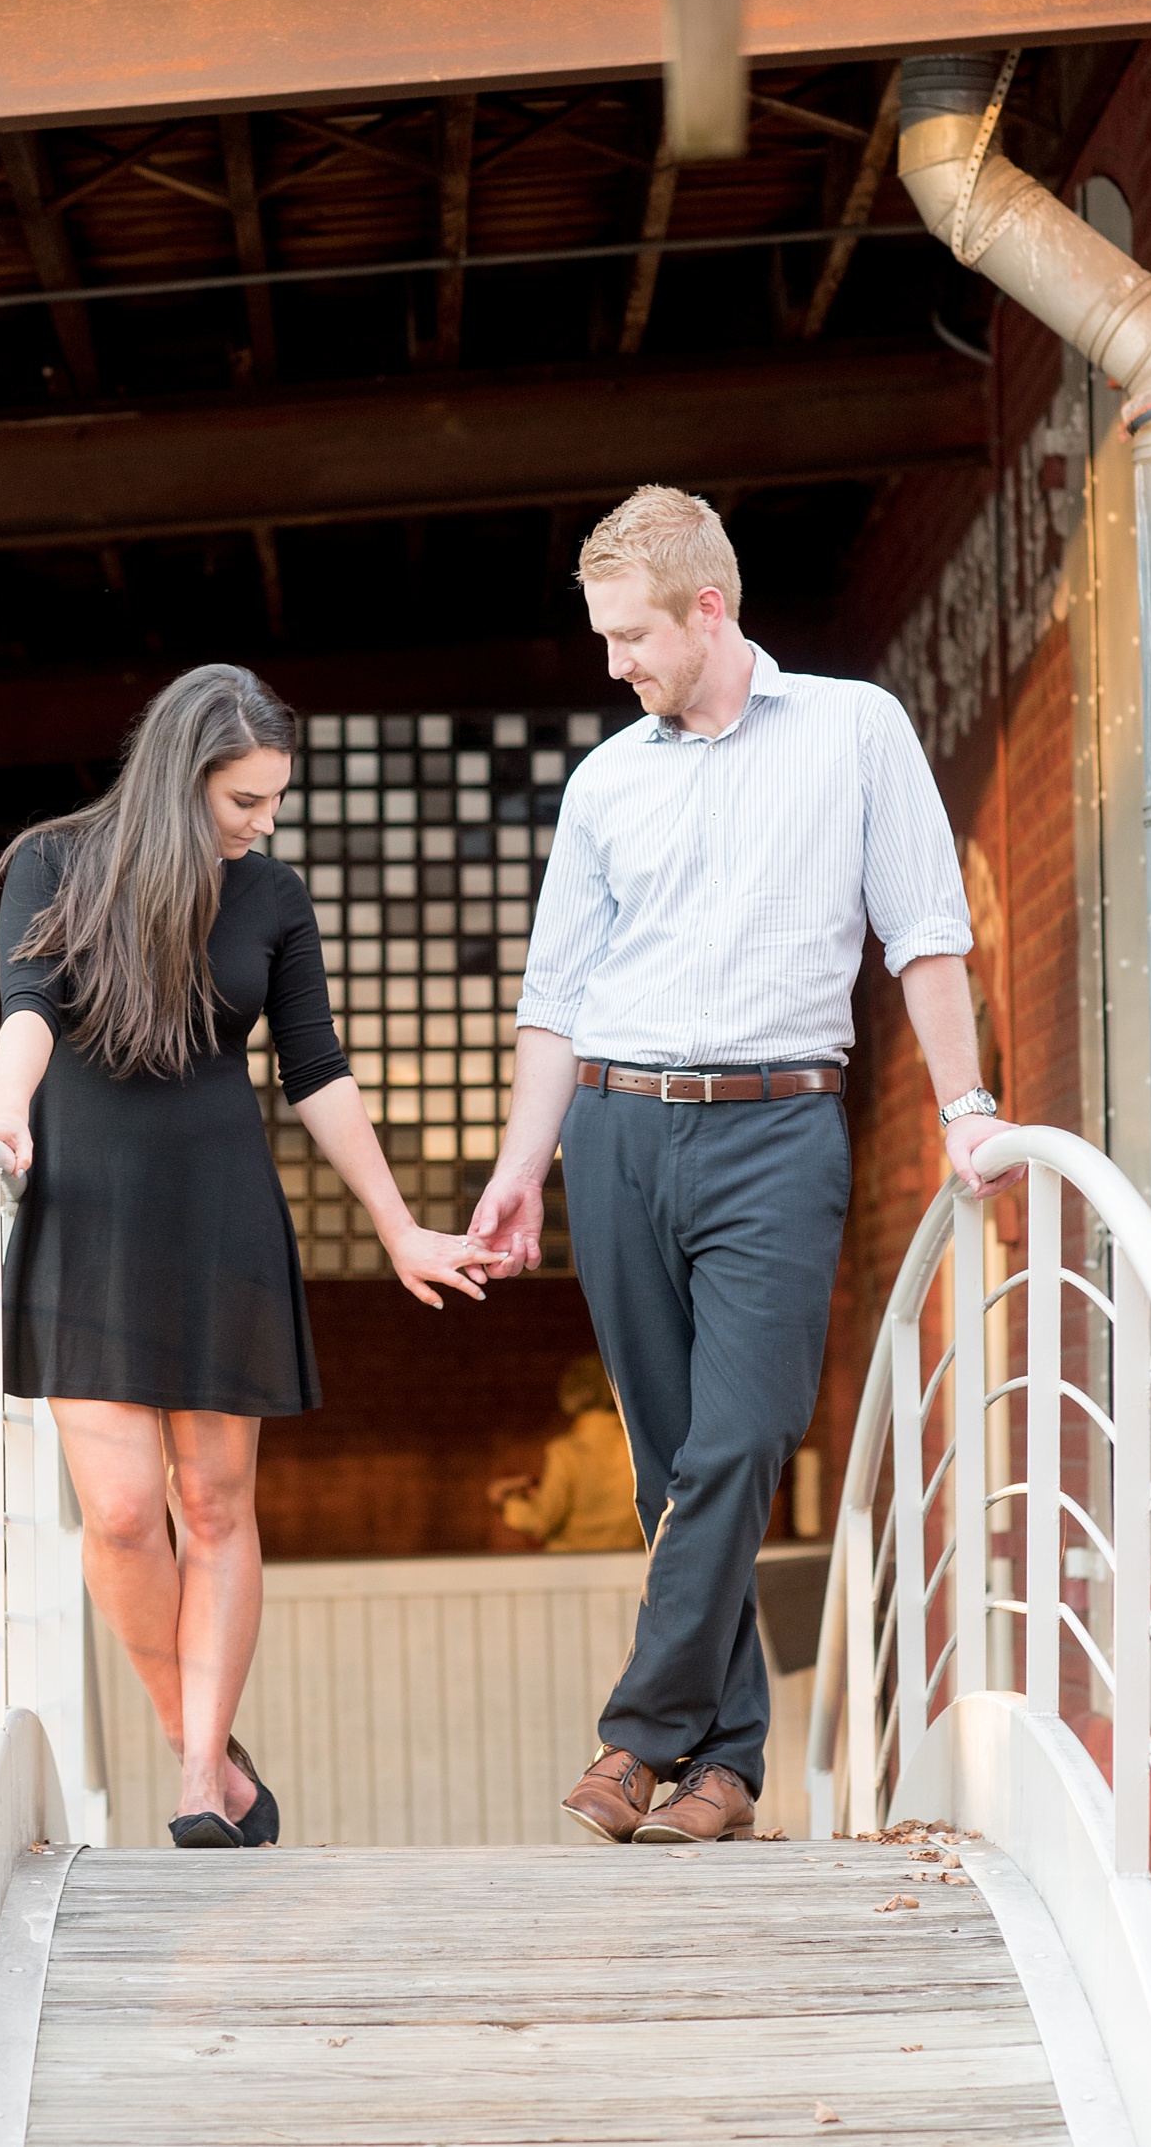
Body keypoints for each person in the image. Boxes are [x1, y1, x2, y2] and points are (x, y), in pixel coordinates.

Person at [469, 486, 1013, 1847]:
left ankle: (637, 1736)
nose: (615, 664)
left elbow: (927, 934)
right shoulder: (608, 781)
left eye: (632, 635)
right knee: (669, 1465)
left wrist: (970, 1108)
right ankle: (726, 1771)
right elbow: (556, 996)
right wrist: (525, 1164)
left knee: (743, 1438)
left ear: (708, 609)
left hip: (778, 1128)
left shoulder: (855, 730)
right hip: (617, 1129)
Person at [0, 664, 501, 1849]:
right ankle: (199, 1745)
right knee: (116, 1512)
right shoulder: (53, 862)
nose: (262, 824)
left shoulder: (270, 894)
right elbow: (28, 1006)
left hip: (220, 1213)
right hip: (87, 1207)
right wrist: (7, 1113)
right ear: (178, 778)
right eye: (242, 802)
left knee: (211, 1501)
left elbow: (315, 1069)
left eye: (272, 801)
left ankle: (200, 1781)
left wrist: (397, 1222)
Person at [487, 1354, 643, 1552]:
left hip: (572, 1569)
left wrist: (504, 1501)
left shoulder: (565, 1452)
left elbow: (540, 1521)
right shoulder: (637, 1449)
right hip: (630, 1567)